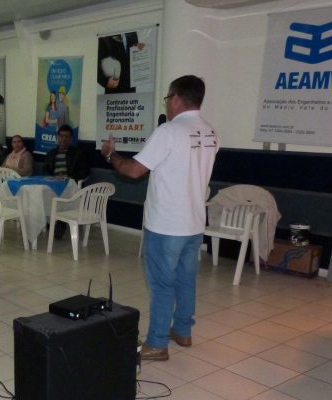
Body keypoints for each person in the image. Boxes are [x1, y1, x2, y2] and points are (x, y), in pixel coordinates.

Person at [100, 75, 218, 361]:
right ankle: (183, 332)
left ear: (176, 98)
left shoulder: (169, 131)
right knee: (186, 280)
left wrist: (111, 154)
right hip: (193, 223)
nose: (167, 103)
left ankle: (157, 343)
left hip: (166, 224)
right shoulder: (210, 131)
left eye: (167, 97)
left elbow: (132, 170)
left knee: (162, 284)